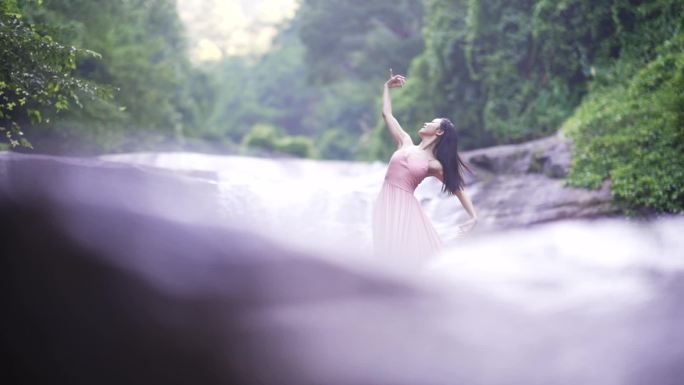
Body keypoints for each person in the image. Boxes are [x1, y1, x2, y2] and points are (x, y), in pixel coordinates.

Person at [373, 69, 477, 261]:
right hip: (385, 204)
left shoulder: (434, 165)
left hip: (407, 211)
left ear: (438, 133)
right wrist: (387, 88)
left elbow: (458, 189)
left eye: (432, 122)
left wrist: (473, 217)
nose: (426, 122)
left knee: (405, 258)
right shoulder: (405, 141)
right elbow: (387, 114)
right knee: (386, 255)